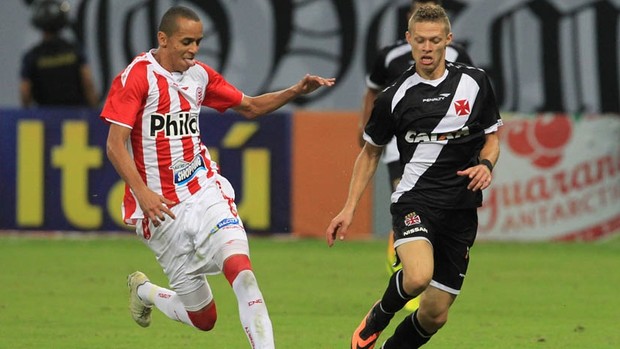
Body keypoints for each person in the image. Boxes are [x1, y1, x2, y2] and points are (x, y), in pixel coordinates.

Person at [101, 6, 334, 349]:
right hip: (162, 210)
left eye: (198, 42)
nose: (194, 49)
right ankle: (145, 290)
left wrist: (294, 91)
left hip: (204, 189)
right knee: (204, 319)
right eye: (186, 41)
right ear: (162, 39)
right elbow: (114, 144)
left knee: (243, 274)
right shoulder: (135, 77)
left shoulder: (199, 76)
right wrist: (143, 194)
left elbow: (250, 107)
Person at [328, 5, 501, 349]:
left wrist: (486, 165)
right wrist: (349, 208)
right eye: (419, 40)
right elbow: (371, 152)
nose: (426, 47)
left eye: (434, 40)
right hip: (415, 200)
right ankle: (378, 316)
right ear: (408, 39)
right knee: (418, 276)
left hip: (460, 210)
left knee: (435, 314)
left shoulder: (475, 82)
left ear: (448, 41)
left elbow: (492, 139)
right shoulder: (394, 96)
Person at [360, 0, 474, 311]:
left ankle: (418, 264)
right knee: (408, 194)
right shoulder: (390, 55)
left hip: (444, 150)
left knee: (437, 209)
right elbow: (373, 92)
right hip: (402, 146)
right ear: (411, 16)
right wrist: (365, 129)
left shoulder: (459, 57)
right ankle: (406, 266)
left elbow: (470, 99)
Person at [20, 0, 98, 107]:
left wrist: (27, 114)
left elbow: (25, 91)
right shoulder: (74, 50)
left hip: (45, 118)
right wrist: (95, 110)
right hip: (76, 118)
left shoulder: (33, 56)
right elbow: (87, 82)